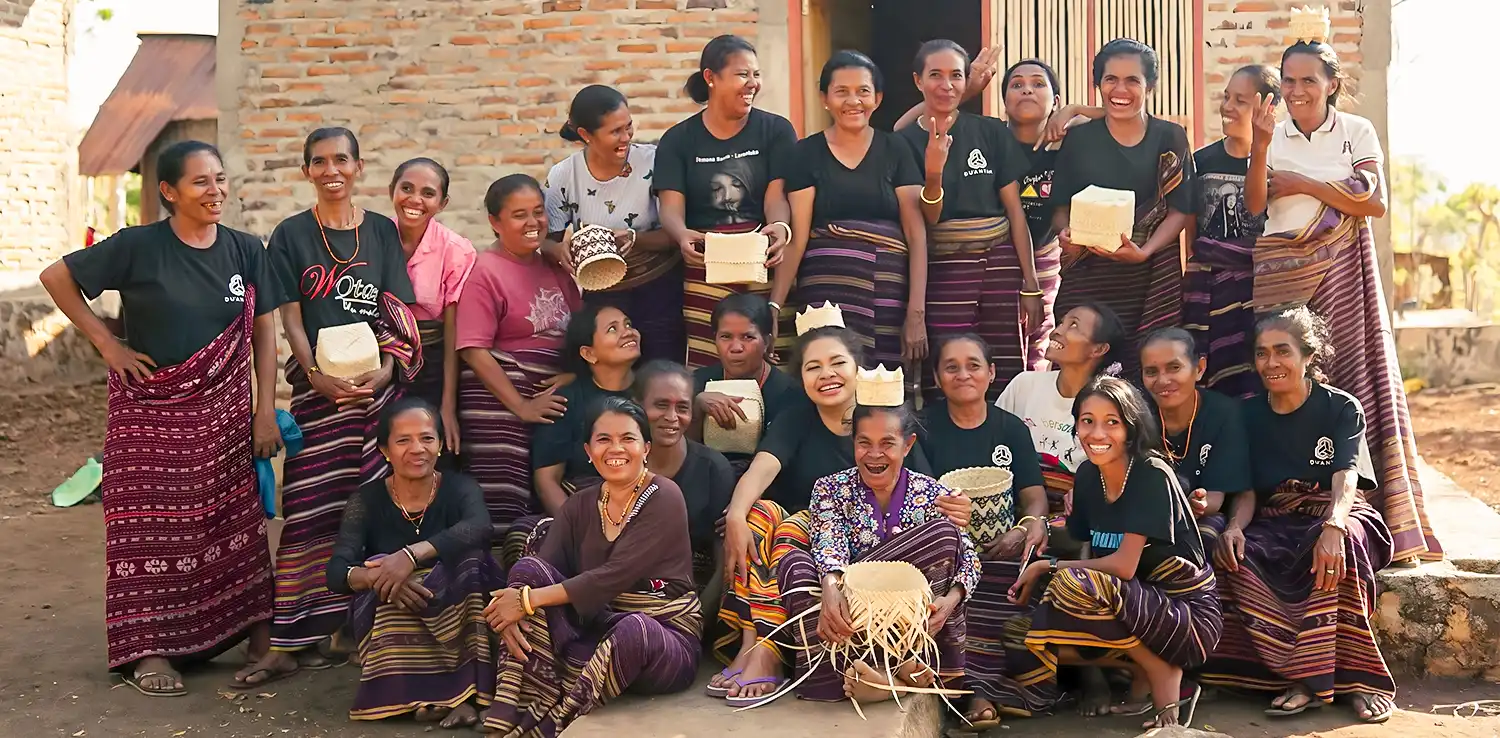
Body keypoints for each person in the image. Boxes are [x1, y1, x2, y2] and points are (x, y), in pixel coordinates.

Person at [39, 140, 278, 696]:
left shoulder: (246, 250)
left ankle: (257, 637)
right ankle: (150, 652)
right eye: (200, 182)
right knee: (146, 528)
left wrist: (265, 409)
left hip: (223, 414)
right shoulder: (139, 246)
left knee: (233, 522)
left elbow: (263, 332)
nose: (215, 191)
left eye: (219, 179)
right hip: (149, 411)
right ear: (169, 191)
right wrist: (108, 344)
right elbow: (57, 277)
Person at [1250, 39, 1439, 564]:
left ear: (1332, 84)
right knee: (1282, 379)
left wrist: (1302, 182)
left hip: (1340, 273)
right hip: (1281, 274)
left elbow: (1373, 202)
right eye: (1288, 80)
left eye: (1309, 80)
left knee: (1351, 377)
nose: (1297, 90)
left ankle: (1373, 511)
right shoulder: (1270, 129)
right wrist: (1262, 147)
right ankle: (1291, 506)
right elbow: (1256, 205)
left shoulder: (1356, 131)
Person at [248, 127, 423, 684]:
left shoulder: (381, 233)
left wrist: (390, 370)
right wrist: (317, 375)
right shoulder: (292, 234)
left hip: (378, 397)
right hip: (318, 399)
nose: (331, 170)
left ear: (358, 165)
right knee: (308, 511)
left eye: (341, 159)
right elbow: (291, 314)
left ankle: (362, 627)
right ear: (306, 171)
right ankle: (293, 635)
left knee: (375, 508)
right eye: (319, 162)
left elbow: (396, 312)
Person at [711, 324, 966, 705]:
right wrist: (735, 516)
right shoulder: (797, 419)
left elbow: (923, 491)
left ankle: (795, 655)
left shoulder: (885, 417)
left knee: (792, 532)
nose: (826, 374)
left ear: (858, 369)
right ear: (801, 378)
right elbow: (761, 470)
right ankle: (757, 645)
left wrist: (954, 505)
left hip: (869, 545)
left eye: (837, 363)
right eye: (813, 367)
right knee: (760, 517)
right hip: (809, 535)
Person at [1199, 308, 1397, 724]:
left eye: (1282, 352)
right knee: (1236, 553)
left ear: (1309, 356)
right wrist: (1234, 527)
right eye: (1262, 353)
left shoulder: (1341, 406)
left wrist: (1333, 525)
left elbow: (1347, 476)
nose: (1271, 364)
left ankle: (1355, 679)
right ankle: (1278, 676)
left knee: (1342, 550)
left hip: (1337, 509)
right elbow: (1248, 489)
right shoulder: (1247, 414)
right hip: (1275, 513)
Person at [1000, 376, 1221, 729]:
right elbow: (1082, 544)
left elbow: (1123, 566)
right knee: (1017, 630)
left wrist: (1047, 566)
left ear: (1131, 429)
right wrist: (1034, 530)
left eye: (1111, 422)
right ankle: (1136, 673)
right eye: (1087, 421)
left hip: (1185, 616)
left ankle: (1160, 670)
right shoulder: (1088, 474)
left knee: (1071, 582)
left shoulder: (1151, 474)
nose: (1097, 433)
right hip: (1130, 603)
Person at [481, 397, 701, 736]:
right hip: (595, 630)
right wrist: (513, 603)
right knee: (526, 570)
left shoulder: (664, 495)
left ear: (646, 447)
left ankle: (555, 721)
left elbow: (612, 577)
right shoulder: (579, 504)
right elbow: (542, 569)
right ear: (588, 449)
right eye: (603, 439)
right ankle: (516, 706)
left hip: (660, 640)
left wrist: (524, 603)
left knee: (634, 629)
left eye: (628, 438)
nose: (616, 448)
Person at [775, 402, 981, 704]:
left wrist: (949, 603)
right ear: (853, 443)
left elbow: (970, 560)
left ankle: (897, 669)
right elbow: (827, 542)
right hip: (851, 621)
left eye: (887, 443)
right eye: (864, 443)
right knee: (794, 562)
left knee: (943, 534)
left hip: (912, 631)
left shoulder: (933, 494)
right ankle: (885, 676)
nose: (874, 455)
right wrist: (831, 588)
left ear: (908, 445)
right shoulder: (829, 489)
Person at [328, 398, 502, 728]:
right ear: (384, 450)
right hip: (395, 605)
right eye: (403, 440)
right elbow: (337, 571)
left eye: (426, 438)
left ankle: (467, 696)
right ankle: (422, 694)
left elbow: (479, 527)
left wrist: (410, 556)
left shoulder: (459, 487)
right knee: (379, 569)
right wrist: (379, 575)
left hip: (457, 602)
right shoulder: (367, 499)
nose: (417, 449)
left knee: (471, 563)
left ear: (439, 445)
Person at [893, 41, 1041, 392]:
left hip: (1000, 265)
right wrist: (934, 173)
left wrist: (1031, 285)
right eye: (935, 75)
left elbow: (1015, 214)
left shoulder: (990, 132)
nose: (947, 85)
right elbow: (928, 218)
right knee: (948, 363)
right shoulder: (904, 142)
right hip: (943, 268)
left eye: (956, 76)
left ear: (967, 80)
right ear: (917, 81)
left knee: (1003, 366)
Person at [920, 334, 1048, 729]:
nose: (963, 374)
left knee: (1019, 580)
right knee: (953, 582)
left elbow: (1035, 497)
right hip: (941, 546)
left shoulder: (1010, 429)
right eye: (951, 367)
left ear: (991, 373)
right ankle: (971, 689)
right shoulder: (923, 427)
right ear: (938, 377)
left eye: (973, 365)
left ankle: (980, 686)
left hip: (1000, 549)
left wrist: (1024, 529)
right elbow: (917, 495)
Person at [771, 50, 929, 368]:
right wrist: (773, 307)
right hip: (825, 295)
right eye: (841, 92)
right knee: (826, 375)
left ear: (878, 98)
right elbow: (798, 238)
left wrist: (915, 311)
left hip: (888, 295)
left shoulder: (896, 149)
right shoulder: (806, 153)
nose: (852, 101)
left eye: (863, 91)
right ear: (825, 98)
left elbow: (916, 234)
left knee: (882, 387)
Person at [1051, 39, 1194, 376]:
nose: (1120, 89)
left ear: (1151, 86)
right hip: (1088, 274)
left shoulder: (1169, 137)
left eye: (1133, 80)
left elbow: (1181, 209)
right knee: (1079, 370)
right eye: (1110, 79)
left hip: (1149, 277)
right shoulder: (1080, 139)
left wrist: (1145, 251)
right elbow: (1061, 205)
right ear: (1098, 85)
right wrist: (1066, 236)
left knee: (1146, 369)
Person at [656, 34, 798, 369]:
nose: (752, 84)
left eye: (756, 75)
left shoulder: (776, 131)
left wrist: (779, 226)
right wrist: (681, 235)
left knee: (773, 365)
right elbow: (670, 209)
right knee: (713, 368)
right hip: (706, 268)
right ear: (710, 78)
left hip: (764, 264)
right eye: (742, 75)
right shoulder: (678, 140)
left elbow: (776, 196)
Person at [456, 174, 580, 546]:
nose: (533, 223)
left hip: (552, 408)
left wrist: (573, 376)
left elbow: (580, 331)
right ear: (495, 222)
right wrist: (522, 406)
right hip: (501, 413)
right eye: (519, 215)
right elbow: (473, 349)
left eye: (539, 213)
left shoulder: (554, 266)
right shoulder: (485, 272)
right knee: (505, 511)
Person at [542, 85, 683, 363]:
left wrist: (635, 238)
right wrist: (558, 251)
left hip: (661, 292)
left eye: (628, 127)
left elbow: (674, 235)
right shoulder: (563, 176)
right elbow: (547, 242)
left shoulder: (654, 162)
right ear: (585, 135)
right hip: (602, 300)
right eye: (615, 132)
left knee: (662, 373)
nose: (626, 137)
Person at [518, 304, 642, 564]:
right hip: (579, 513)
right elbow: (547, 481)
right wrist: (580, 530)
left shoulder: (653, 392)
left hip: (644, 510)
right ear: (589, 353)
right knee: (524, 535)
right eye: (613, 329)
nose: (628, 332)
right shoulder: (567, 400)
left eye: (629, 324)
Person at [1182, 67, 1278, 399]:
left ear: (1267, 109)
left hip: (1258, 293)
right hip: (1208, 295)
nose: (1227, 107)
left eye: (1240, 100)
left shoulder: (1277, 162)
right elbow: (1193, 235)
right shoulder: (1201, 161)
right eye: (1226, 97)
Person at [995, 303, 1127, 537]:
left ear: (1098, 349)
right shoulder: (1024, 384)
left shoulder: (1108, 404)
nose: (1057, 330)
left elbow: (1119, 472)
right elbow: (994, 445)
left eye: (1073, 326)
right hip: (1015, 509)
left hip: (1071, 519)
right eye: (1062, 322)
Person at [634, 360, 736, 618]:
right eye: (660, 405)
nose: (671, 417)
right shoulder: (619, 461)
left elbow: (723, 559)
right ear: (637, 406)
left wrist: (697, 618)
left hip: (687, 593)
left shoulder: (714, 470)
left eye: (682, 407)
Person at [1138, 328, 1253, 548]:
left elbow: (1215, 497)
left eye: (1174, 368)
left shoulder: (1223, 413)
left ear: (1199, 368)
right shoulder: (1136, 412)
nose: (1162, 380)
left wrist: (1195, 504)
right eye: (1151, 371)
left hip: (1194, 517)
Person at [392, 157, 476, 458]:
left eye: (428, 193)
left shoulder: (455, 250)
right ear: (392, 191)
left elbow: (454, 332)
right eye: (406, 188)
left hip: (434, 360)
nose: (415, 200)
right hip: (381, 360)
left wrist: (448, 406)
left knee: (432, 448)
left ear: (443, 202)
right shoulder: (374, 236)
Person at [691, 292, 805, 475]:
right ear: (715, 339)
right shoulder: (695, 383)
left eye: (747, 337)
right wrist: (696, 407)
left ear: (767, 342)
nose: (736, 347)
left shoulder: (790, 394)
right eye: (726, 337)